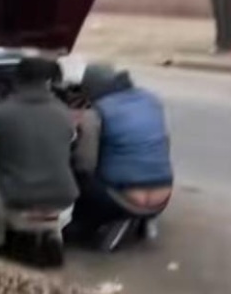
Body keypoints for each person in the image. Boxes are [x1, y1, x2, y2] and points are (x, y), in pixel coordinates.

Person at [0, 57, 78, 262]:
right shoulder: (65, 114)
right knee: (57, 165)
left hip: (17, 209)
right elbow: (68, 146)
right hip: (62, 210)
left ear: (16, 81)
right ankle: (54, 235)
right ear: (49, 83)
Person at [65, 62, 173, 251]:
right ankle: (141, 220)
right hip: (164, 194)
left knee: (75, 178)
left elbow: (85, 163)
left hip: (122, 199)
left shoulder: (98, 112)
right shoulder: (152, 100)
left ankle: (97, 227)